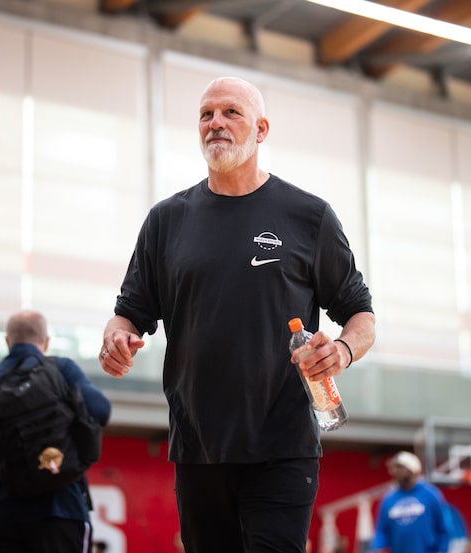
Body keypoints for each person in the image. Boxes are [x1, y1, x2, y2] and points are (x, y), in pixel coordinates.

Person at [100, 76, 375, 553]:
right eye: (206, 114)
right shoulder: (166, 221)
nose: (215, 124)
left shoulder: (309, 217)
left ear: (261, 130)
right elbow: (128, 315)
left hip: (282, 446)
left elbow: (362, 316)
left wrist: (343, 351)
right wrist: (115, 339)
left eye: (230, 113)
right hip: (197, 447)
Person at [0, 310, 111, 553]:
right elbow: (101, 411)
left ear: (7, 341)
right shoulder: (62, 370)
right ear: (47, 342)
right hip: (60, 511)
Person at [371, 451, 449, 553]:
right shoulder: (388, 500)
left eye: (399, 467)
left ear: (412, 469)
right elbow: (381, 531)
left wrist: (442, 549)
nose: (394, 472)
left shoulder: (430, 494)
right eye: (393, 468)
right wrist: (379, 547)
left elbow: (443, 527)